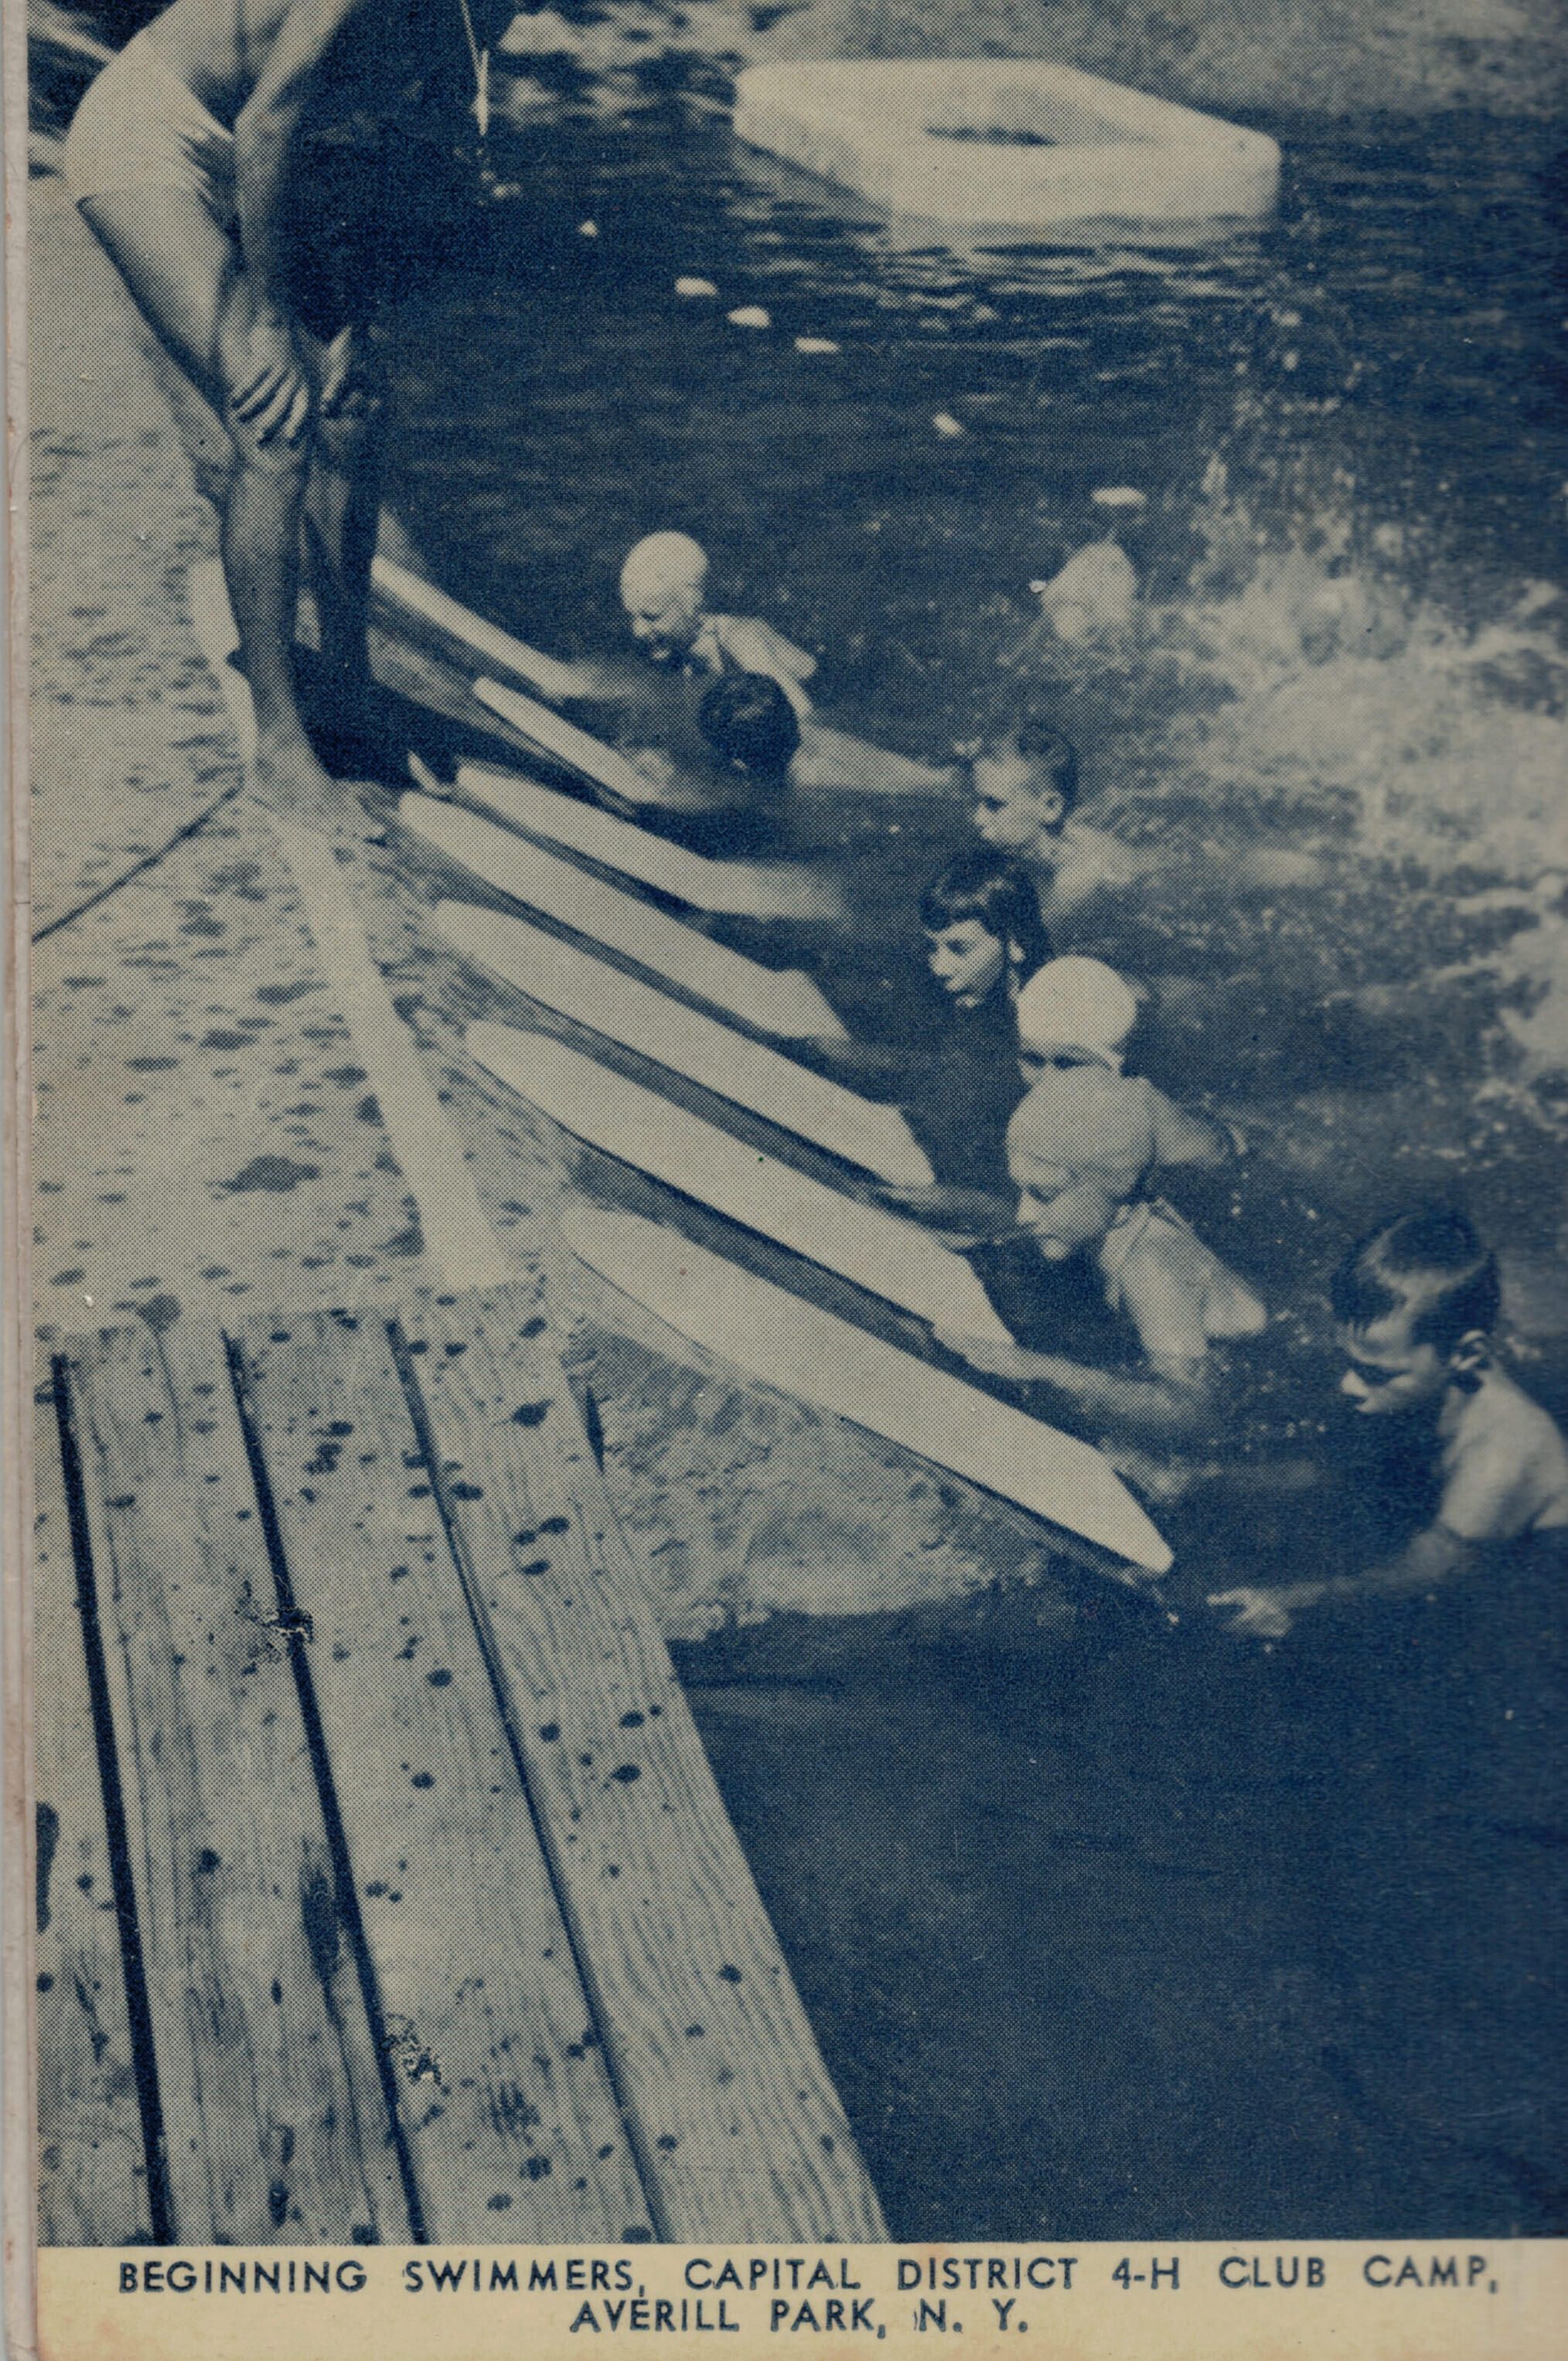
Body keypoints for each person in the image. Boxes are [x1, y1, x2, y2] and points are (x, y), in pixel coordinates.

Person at [63, 0, 506, 837]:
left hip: (262, 159)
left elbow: (380, 150)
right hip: (152, 141)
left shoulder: (482, 13)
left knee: (352, 411)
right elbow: (268, 127)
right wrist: (267, 322)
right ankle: (279, 749)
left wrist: (356, 322)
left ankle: (347, 696)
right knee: (273, 425)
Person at [936, 957, 1265, 1440]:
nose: (1028, 1212)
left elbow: (1194, 1410)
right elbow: (1032, 1217)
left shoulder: (1151, 1267)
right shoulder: (1093, 1175)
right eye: (1027, 1190)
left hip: (1256, 1381)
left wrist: (1041, 1368)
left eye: (1044, 1195)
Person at [1208, 1207, 1568, 1638]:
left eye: (1375, 1373)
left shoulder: (1502, 1457)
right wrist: (1195, 1480)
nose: (1347, 1384)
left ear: (1466, 1355)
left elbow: (1429, 1572)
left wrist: (1290, 1600)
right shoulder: (1419, 1386)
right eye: (1349, 1362)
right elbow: (1332, 1470)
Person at [620, 531, 957, 796]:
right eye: (632, 616)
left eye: (652, 616)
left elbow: (803, 727)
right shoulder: (674, 651)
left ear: (693, 604)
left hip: (844, 691)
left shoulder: (741, 643)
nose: (637, 630)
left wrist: (927, 781)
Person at [970, 717, 1147, 921]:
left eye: (994, 805)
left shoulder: (1073, 882)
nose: (978, 818)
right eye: (978, 802)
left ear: (1050, 808)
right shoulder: (1043, 847)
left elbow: (1034, 938)